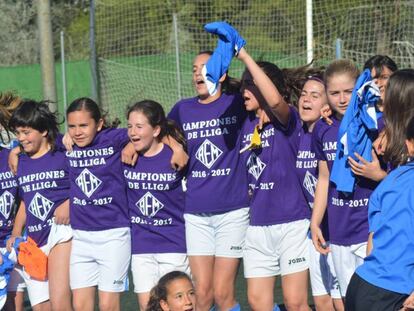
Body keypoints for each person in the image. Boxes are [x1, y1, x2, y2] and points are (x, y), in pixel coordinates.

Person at [168, 51, 249, 311]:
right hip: (196, 215)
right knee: (201, 294)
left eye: (204, 67)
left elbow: (269, 105)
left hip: (233, 212)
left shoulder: (236, 103)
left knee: (223, 293)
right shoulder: (184, 108)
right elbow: (159, 127)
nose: (197, 73)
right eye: (194, 69)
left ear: (221, 74)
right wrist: (176, 147)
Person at [237, 48, 310, 311]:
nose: (245, 89)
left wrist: (244, 56)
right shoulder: (245, 123)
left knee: (295, 302)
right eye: (243, 83)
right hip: (257, 226)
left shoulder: (286, 117)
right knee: (257, 302)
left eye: (251, 84)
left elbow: (276, 103)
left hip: (292, 224)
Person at [310, 59, 385, 299]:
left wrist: (378, 175)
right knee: (348, 300)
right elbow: (323, 178)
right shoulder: (323, 128)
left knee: (374, 299)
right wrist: (315, 222)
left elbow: (401, 178)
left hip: (371, 229)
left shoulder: (378, 124)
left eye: (348, 92)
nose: (342, 99)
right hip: (339, 230)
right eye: (334, 93)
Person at [345, 69, 414, 311]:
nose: (381, 94)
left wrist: (381, 177)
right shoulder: (388, 134)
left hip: (375, 277)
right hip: (386, 278)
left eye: (387, 90)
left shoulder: (397, 137)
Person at [7, 100, 72, 311]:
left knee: (60, 303)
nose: (21, 138)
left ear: (43, 130)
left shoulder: (63, 153)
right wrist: (16, 232)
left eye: (26, 132)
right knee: (42, 307)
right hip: (34, 241)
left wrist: (70, 203)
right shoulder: (21, 161)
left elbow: (82, 184)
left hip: (60, 233)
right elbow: (27, 200)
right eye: (18, 133)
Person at [124, 100, 189, 311]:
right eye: (130, 126)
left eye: (139, 126)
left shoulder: (176, 157)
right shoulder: (125, 157)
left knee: (180, 306)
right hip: (141, 247)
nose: (133, 132)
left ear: (156, 130)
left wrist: (176, 146)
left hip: (174, 244)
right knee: (148, 307)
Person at [295, 75, 343, 311]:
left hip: (337, 228)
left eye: (315, 95)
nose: (306, 99)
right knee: (322, 300)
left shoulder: (334, 132)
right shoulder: (297, 132)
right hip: (313, 231)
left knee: (341, 299)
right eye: (304, 94)